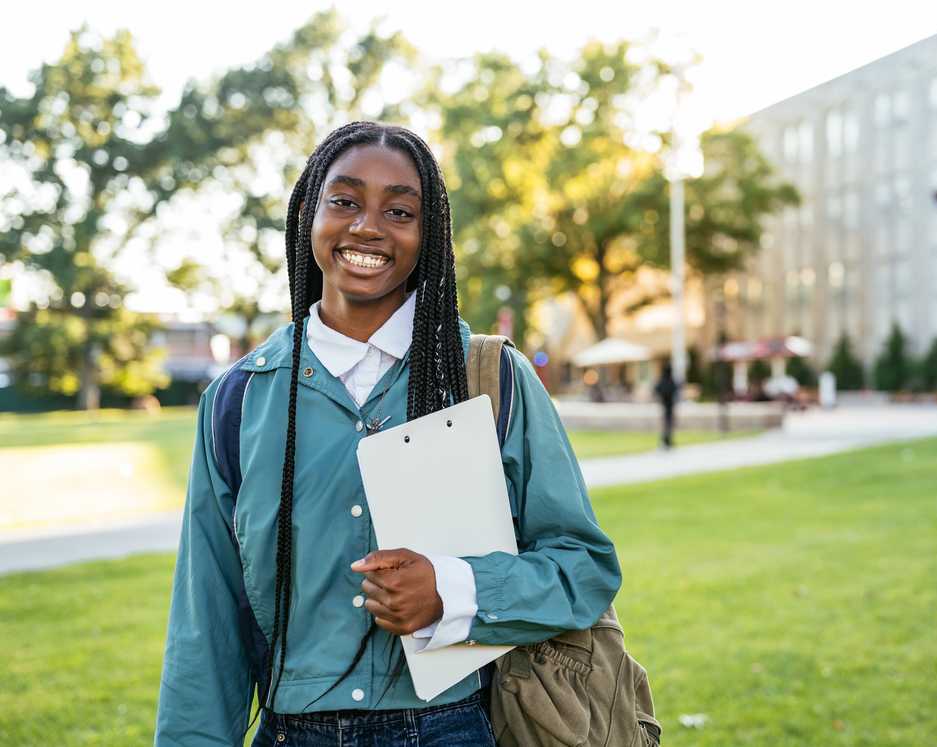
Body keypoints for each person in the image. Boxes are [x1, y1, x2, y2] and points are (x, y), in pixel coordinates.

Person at [154, 122, 621, 746]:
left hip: (451, 727)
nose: (367, 227)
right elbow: (204, 626)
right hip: (294, 732)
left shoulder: (491, 380)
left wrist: (454, 591)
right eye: (344, 201)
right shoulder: (238, 402)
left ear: (428, 237)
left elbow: (583, 568)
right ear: (308, 217)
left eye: (399, 210)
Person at [654, 362, 679, 448]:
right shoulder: (670, 380)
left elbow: (657, 389)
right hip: (668, 405)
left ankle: (666, 439)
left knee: (666, 423)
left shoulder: (663, 380)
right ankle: (666, 440)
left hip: (666, 405)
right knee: (668, 423)